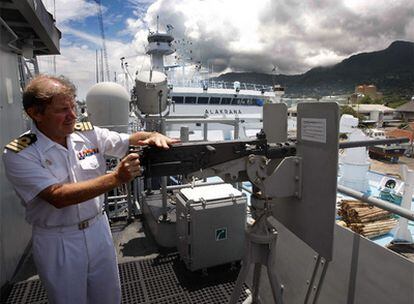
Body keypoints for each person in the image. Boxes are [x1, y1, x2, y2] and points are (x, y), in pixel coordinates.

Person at [2, 74, 178, 304]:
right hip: (59, 241)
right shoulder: (20, 153)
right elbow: (57, 196)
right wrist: (116, 178)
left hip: (98, 229)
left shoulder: (86, 133)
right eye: (62, 110)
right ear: (36, 113)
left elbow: (128, 139)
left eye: (73, 106)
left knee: (109, 297)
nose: (73, 116)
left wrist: (152, 135)